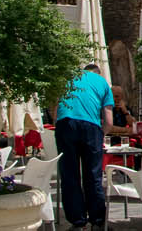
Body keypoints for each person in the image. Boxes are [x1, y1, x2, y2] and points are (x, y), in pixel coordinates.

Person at [55, 64, 122, 230]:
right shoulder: (102, 83)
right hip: (90, 127)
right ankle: (97, 221)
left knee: (69, 174)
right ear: (98, 73)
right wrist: (102, 135)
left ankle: (77, 222)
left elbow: (57, 111)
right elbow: (108, 121)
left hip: (65, 124)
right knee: (93, 174)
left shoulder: (68, 79)